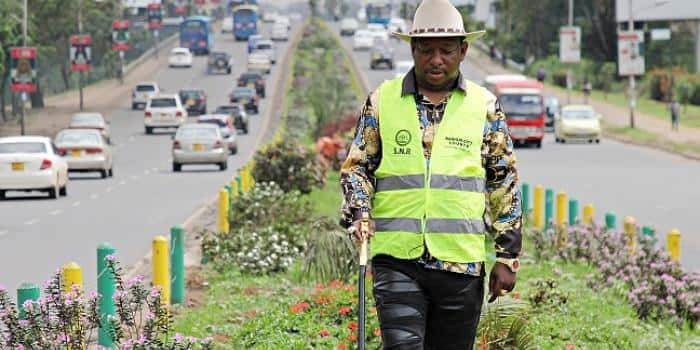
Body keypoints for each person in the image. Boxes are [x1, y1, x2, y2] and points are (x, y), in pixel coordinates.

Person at [339, 0, 522, 348]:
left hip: (460, 264)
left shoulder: (484, 107)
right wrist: (360, 209)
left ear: (463, 51)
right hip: (397, 261)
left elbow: (503, 181)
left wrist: (507, 256)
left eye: (446, 50)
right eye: (427, 50)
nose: (436, 59)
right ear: (413, 49)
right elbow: (357, 166)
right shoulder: (382, 101)